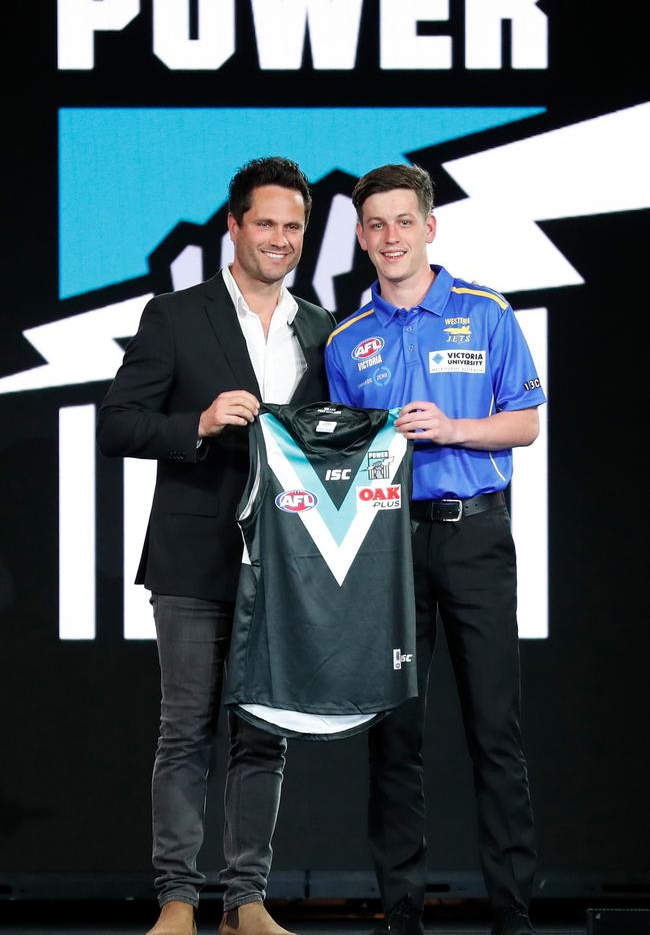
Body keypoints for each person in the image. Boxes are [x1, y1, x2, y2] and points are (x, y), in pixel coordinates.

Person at [98, 157, 335, 935]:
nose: (279, 239)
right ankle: (177, 897)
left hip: (285, 564)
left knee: (264, 733)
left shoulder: (320, 327)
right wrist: (195, 425)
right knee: (185, 731)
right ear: (233, 227)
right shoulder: (176, 314)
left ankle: (246, 899)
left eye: (293, 226)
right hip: (192, 558)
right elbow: (118, 423)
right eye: (264, 223)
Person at [324, 164, 545, 935]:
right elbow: (342, 457)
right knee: (396, 735)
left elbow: (525, 422)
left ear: (430, 226)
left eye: (403, 222)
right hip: (388, 551)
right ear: (361, 236)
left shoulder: (484, 313)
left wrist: (451, 428)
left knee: (496, 728)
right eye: (376, 225)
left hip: (476, 533)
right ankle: (402, 912)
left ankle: (514, 913)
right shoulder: (349, 340)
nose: (391, 237)